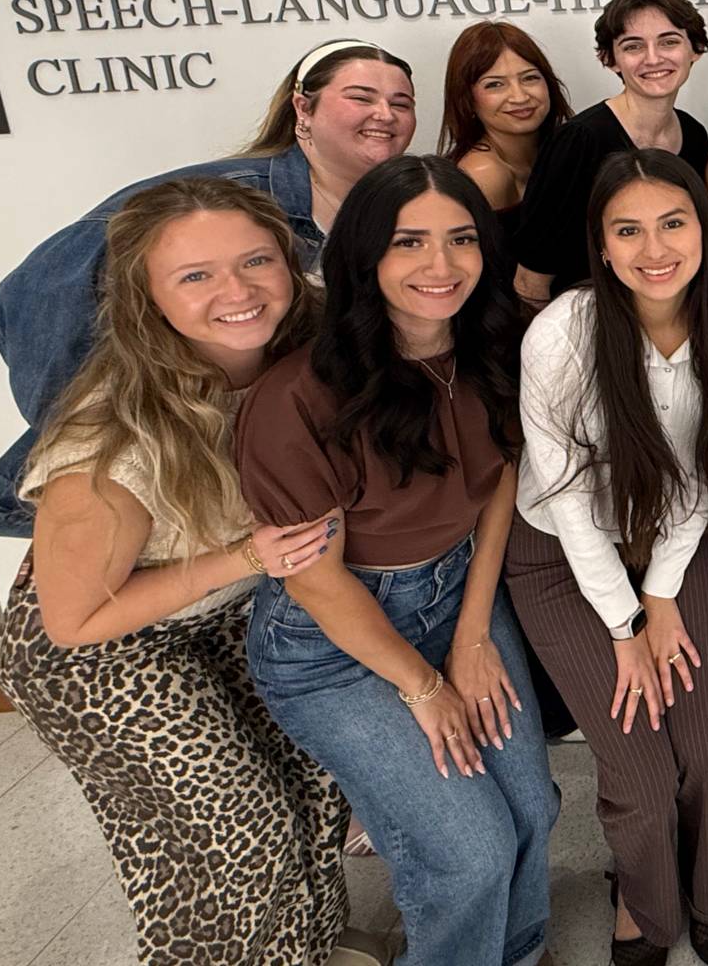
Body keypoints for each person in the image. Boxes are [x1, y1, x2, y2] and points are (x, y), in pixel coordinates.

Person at [0, 179, 378, 966]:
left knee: (305, 786)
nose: (237, 291)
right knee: (232, 831)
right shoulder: (108, 437)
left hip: (220, 610)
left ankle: (308, 948)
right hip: (101, 650)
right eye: (195, 276)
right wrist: (243, 557)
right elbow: (73, 621)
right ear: (147, 297)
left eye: (255, 261)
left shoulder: (300, 328)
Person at [239, 155, 560, 966]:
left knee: (533, 807)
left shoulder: (497, 345)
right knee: (471, 850)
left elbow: (497, 490)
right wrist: (423, 686)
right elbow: (313, 578)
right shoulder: (300, 395)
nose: (439, 266)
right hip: (333, 643)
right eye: (408, 242)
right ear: (363, 256)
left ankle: (515, 953)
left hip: (458, 593)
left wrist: (474, 635)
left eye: (461, 239)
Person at [0, 38, 416, 534]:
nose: (384, 114)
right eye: (361, 98)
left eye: (401, 103)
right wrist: (84, 432)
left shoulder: (381, 208)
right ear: (303, 107)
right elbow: (38, 292)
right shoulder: (225, 197)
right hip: (160, 508)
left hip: (254, 491)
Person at [508, 150, 708, 966]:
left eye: (673, 223)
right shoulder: (562, 336)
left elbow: (704, 479)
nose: (655, 248)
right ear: (602, 247)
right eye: (628, 230)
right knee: (643, 773)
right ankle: (644, 902)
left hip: (673, 551)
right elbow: (571, 506)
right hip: (560, 556)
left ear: (702, 228)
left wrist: (660, 597)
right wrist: (625, 622)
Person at [515, 0, 708, 305]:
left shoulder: (694, 135)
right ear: (609, 59)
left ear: (694, 50)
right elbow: (529, 280)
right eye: (633, 46)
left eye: (669, 41)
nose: (653, 58)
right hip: (585, 329)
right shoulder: (579, 141)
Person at [440, 20, 574, 237]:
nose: (520, 96)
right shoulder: (483, 174)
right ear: (467, 100)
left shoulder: (561, 152)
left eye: (530, 78)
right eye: (495, 84)